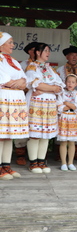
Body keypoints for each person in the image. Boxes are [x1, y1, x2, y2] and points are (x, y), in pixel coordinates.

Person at [25, 43, 65, 173]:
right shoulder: (32, 67)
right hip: (37, 103)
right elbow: (34, 83)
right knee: (36, 134)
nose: (48, 53)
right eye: (45, 50)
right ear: (38, 52)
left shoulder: (50, 69)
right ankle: (33, 162)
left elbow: (60, 85)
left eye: (49, 51)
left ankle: (42, 161)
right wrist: (51, 88)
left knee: (46, 134)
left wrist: (49, 88)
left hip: (49, 104)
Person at [0, 32, 29, 180]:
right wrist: (17, 83)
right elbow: (5, 80)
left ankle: (6, 165)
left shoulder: (14, 61)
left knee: (8, 136)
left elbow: (24, 79)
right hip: (4, 99)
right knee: (1, 135)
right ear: (2, 44)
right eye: (10, 42)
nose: (13, 45)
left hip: (15, 100)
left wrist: (21, 82)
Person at [57, 46, 77, 161]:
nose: (74, 57)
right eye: (72, 55)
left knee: (76, 127)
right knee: (63, 128)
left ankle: (76, 152)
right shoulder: (60, 69)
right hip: (64, 97)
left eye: (76, 55)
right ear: (67, 56)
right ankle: (60, 153)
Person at [14, 41, 39, 166]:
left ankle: (35, 156)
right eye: (33, 50)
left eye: (37, 50)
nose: (35, 52)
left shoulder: (43, 66)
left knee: (36, 126)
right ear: (29, 51)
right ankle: (20, 153)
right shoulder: (22, 64)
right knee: (22, 124)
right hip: (24, 98)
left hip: (39, 101)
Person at [57, 74, 77, 171]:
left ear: (76, 84)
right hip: (64, 118)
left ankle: (70, 162)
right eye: (68, 82)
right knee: (63, 141)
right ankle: (63, 162)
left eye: (73, 82)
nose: (70, 84)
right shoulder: (61, 93)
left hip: (74, 118)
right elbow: (60, 107)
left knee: (72, 142)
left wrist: (67, 103)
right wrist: (71, 106)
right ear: (65, 82)